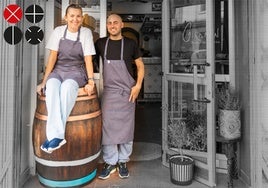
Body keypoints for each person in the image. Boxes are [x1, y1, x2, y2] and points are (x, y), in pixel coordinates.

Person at [36, 4, 95, 154]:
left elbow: (88, 59)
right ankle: (57, 136)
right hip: (58, 70)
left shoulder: (86, 33)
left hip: (76, 71)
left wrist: (91, 80)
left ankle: (55, 137)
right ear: (66, 17)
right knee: (52, 87)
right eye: (72, 16)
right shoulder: (58, 31)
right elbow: (52, 58)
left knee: (67, 87)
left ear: (82, 18)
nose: (75, 19)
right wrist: (44, 81)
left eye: (78, 16)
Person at [95, 14, 144, 179]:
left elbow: (140, 66)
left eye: (115, 22)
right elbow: (88, 58)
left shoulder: (130, 44)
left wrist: (137, 86)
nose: (112, 25)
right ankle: (110, 162)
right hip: (109, 92)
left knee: (127, 128)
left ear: (122, 25)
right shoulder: (101, 43)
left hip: (127, 91)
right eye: (109, 23)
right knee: (107, 127)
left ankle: (123, 161)